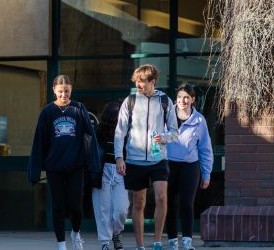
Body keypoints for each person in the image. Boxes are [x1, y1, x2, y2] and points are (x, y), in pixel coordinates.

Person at [29, 75, 100, 250]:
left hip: (75, 165)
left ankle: (75, 233)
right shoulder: (47, 112)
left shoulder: (78, 108)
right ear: (54, 90)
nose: (63, 95)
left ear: (71, 91)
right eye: (60, 91)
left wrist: (93, 163)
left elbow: (90, 135)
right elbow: (39, 141)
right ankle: (61, 244)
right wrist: (35, 170)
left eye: (67, 91)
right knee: (58, 206)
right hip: (54, 166)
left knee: (75, 206)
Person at [114, 64, 179, 250]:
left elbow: (175, 132)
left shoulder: (165, 101)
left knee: (161, 198)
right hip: (134, 159)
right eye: (136, 82)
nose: (138, 85)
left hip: (158, 159)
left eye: (142, 82)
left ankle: (157, 241)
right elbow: (120, 132)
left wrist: (164, 138)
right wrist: (119, 157)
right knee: (138, 202)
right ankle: (140, 246)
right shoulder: (130, 100)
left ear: (153, 82)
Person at [165, 84, 213, 250]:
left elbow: (205, 149)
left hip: (190, 167)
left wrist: (206, 174)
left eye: (186, 97)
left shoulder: (199, 120)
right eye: (179, 97)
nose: (182, 100)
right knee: (169, 204)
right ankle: (172, 241)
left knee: (186, 203)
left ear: (192, 99)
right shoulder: (166, 114)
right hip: (168, 165)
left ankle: (187, 241)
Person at [92, 102, 129, 250]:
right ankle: (105, 242)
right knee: (103, 209)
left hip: (121, 172)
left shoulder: (127, 132)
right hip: (102, 172)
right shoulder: (98, 132)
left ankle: (117, 232)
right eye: (116, 118)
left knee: (121, 209)